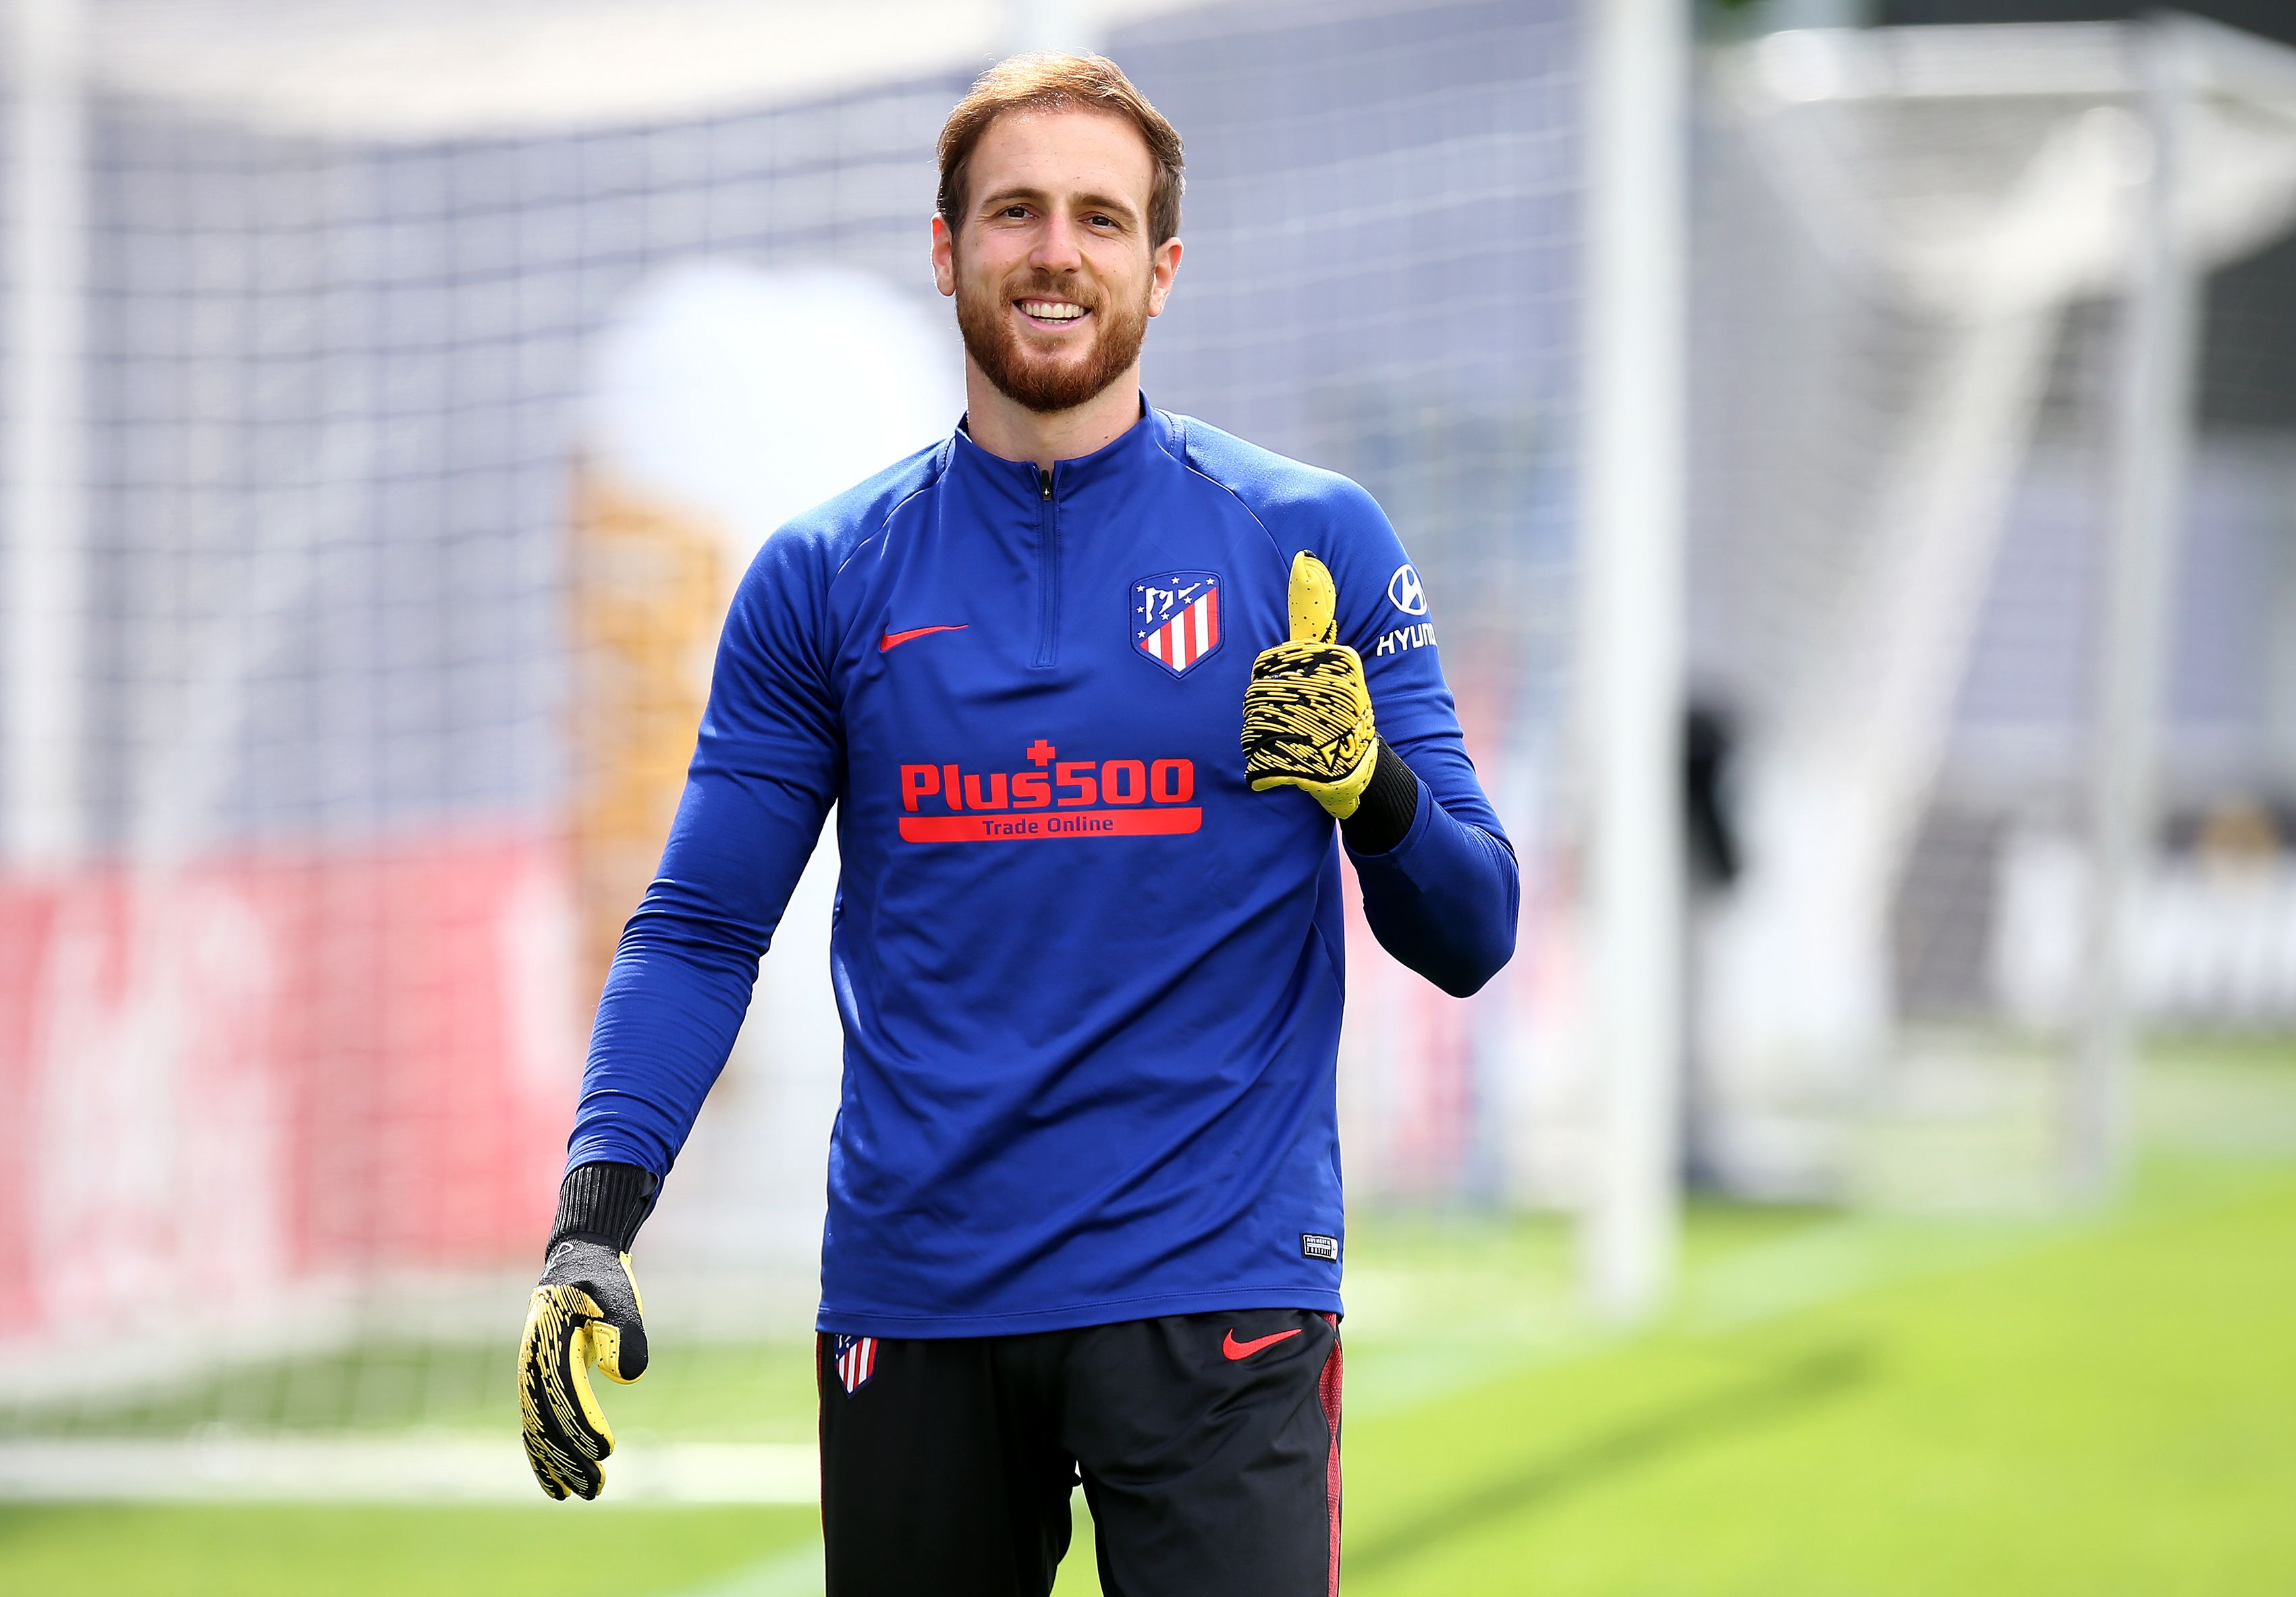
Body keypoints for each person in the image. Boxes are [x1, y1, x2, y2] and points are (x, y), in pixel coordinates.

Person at [518, 52, 1518, 1597]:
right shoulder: (824, 575)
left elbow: (1473, 928)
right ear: (946, 248)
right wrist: (596, 1211)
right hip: (920, 1296)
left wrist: (1370, 788)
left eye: (1102, 220)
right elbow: (703, 926)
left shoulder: (1309, 540)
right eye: (1016, 212)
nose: (1058, 251)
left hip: (1217, 1294)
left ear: (1163, 268)